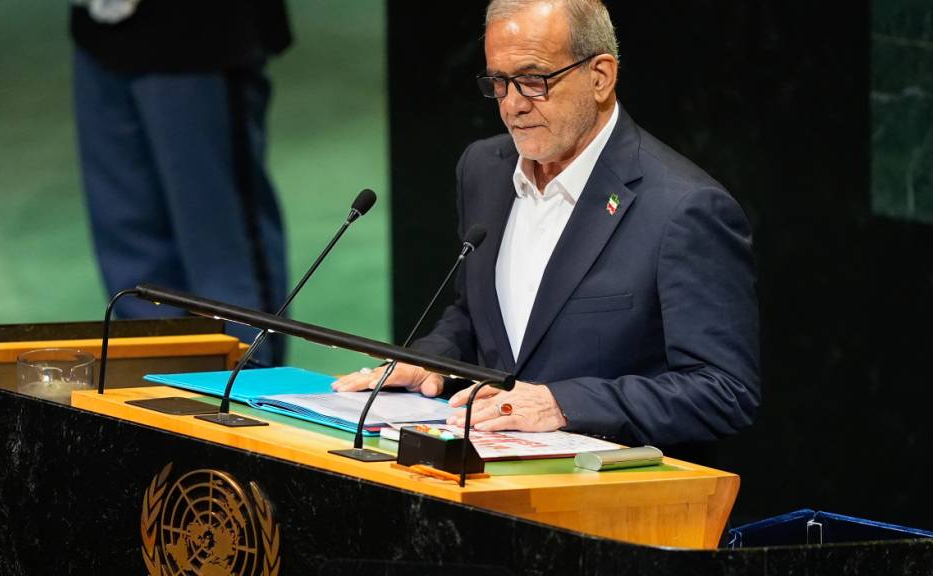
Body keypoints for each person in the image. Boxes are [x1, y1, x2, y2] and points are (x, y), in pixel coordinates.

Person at [334, 0, 760, 446]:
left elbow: (725, 391)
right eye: (498, 82)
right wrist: (432, 360)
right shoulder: (483, 169)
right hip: (481, 475)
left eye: (534, 81)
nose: (512, 105)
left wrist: (562, 404)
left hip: (603, 496)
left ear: (600, 77)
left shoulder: (684, 208)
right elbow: (476, 315)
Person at [71, 0, 291, 364]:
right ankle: (149, 388)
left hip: (199, 36)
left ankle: (245, 391)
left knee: (221, 248)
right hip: (99, 31)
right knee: (130, 245)